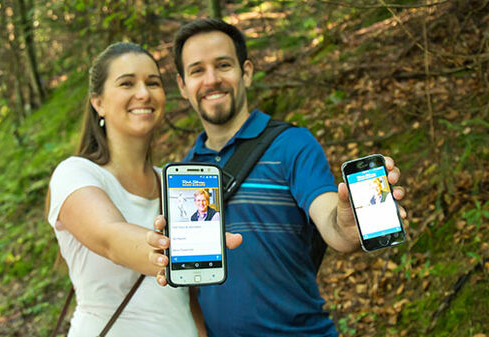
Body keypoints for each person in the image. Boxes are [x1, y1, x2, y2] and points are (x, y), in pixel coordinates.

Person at [146, 19, 407, 336]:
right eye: (197, 70)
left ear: (247, 72)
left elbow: (332, 225)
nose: (212, 79)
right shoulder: (184, 173)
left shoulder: (293, 145)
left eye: (223, 65)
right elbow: (194, 291)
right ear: (183, 86)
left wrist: (346, 223)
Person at [46, 42, 221, 337]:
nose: (144, 93)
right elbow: (111, 239)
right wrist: (186, 250)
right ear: (98, 102)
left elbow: (186, 296)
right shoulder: (75, 173)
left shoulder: (173, 182)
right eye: (127, 83)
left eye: (153, 83)